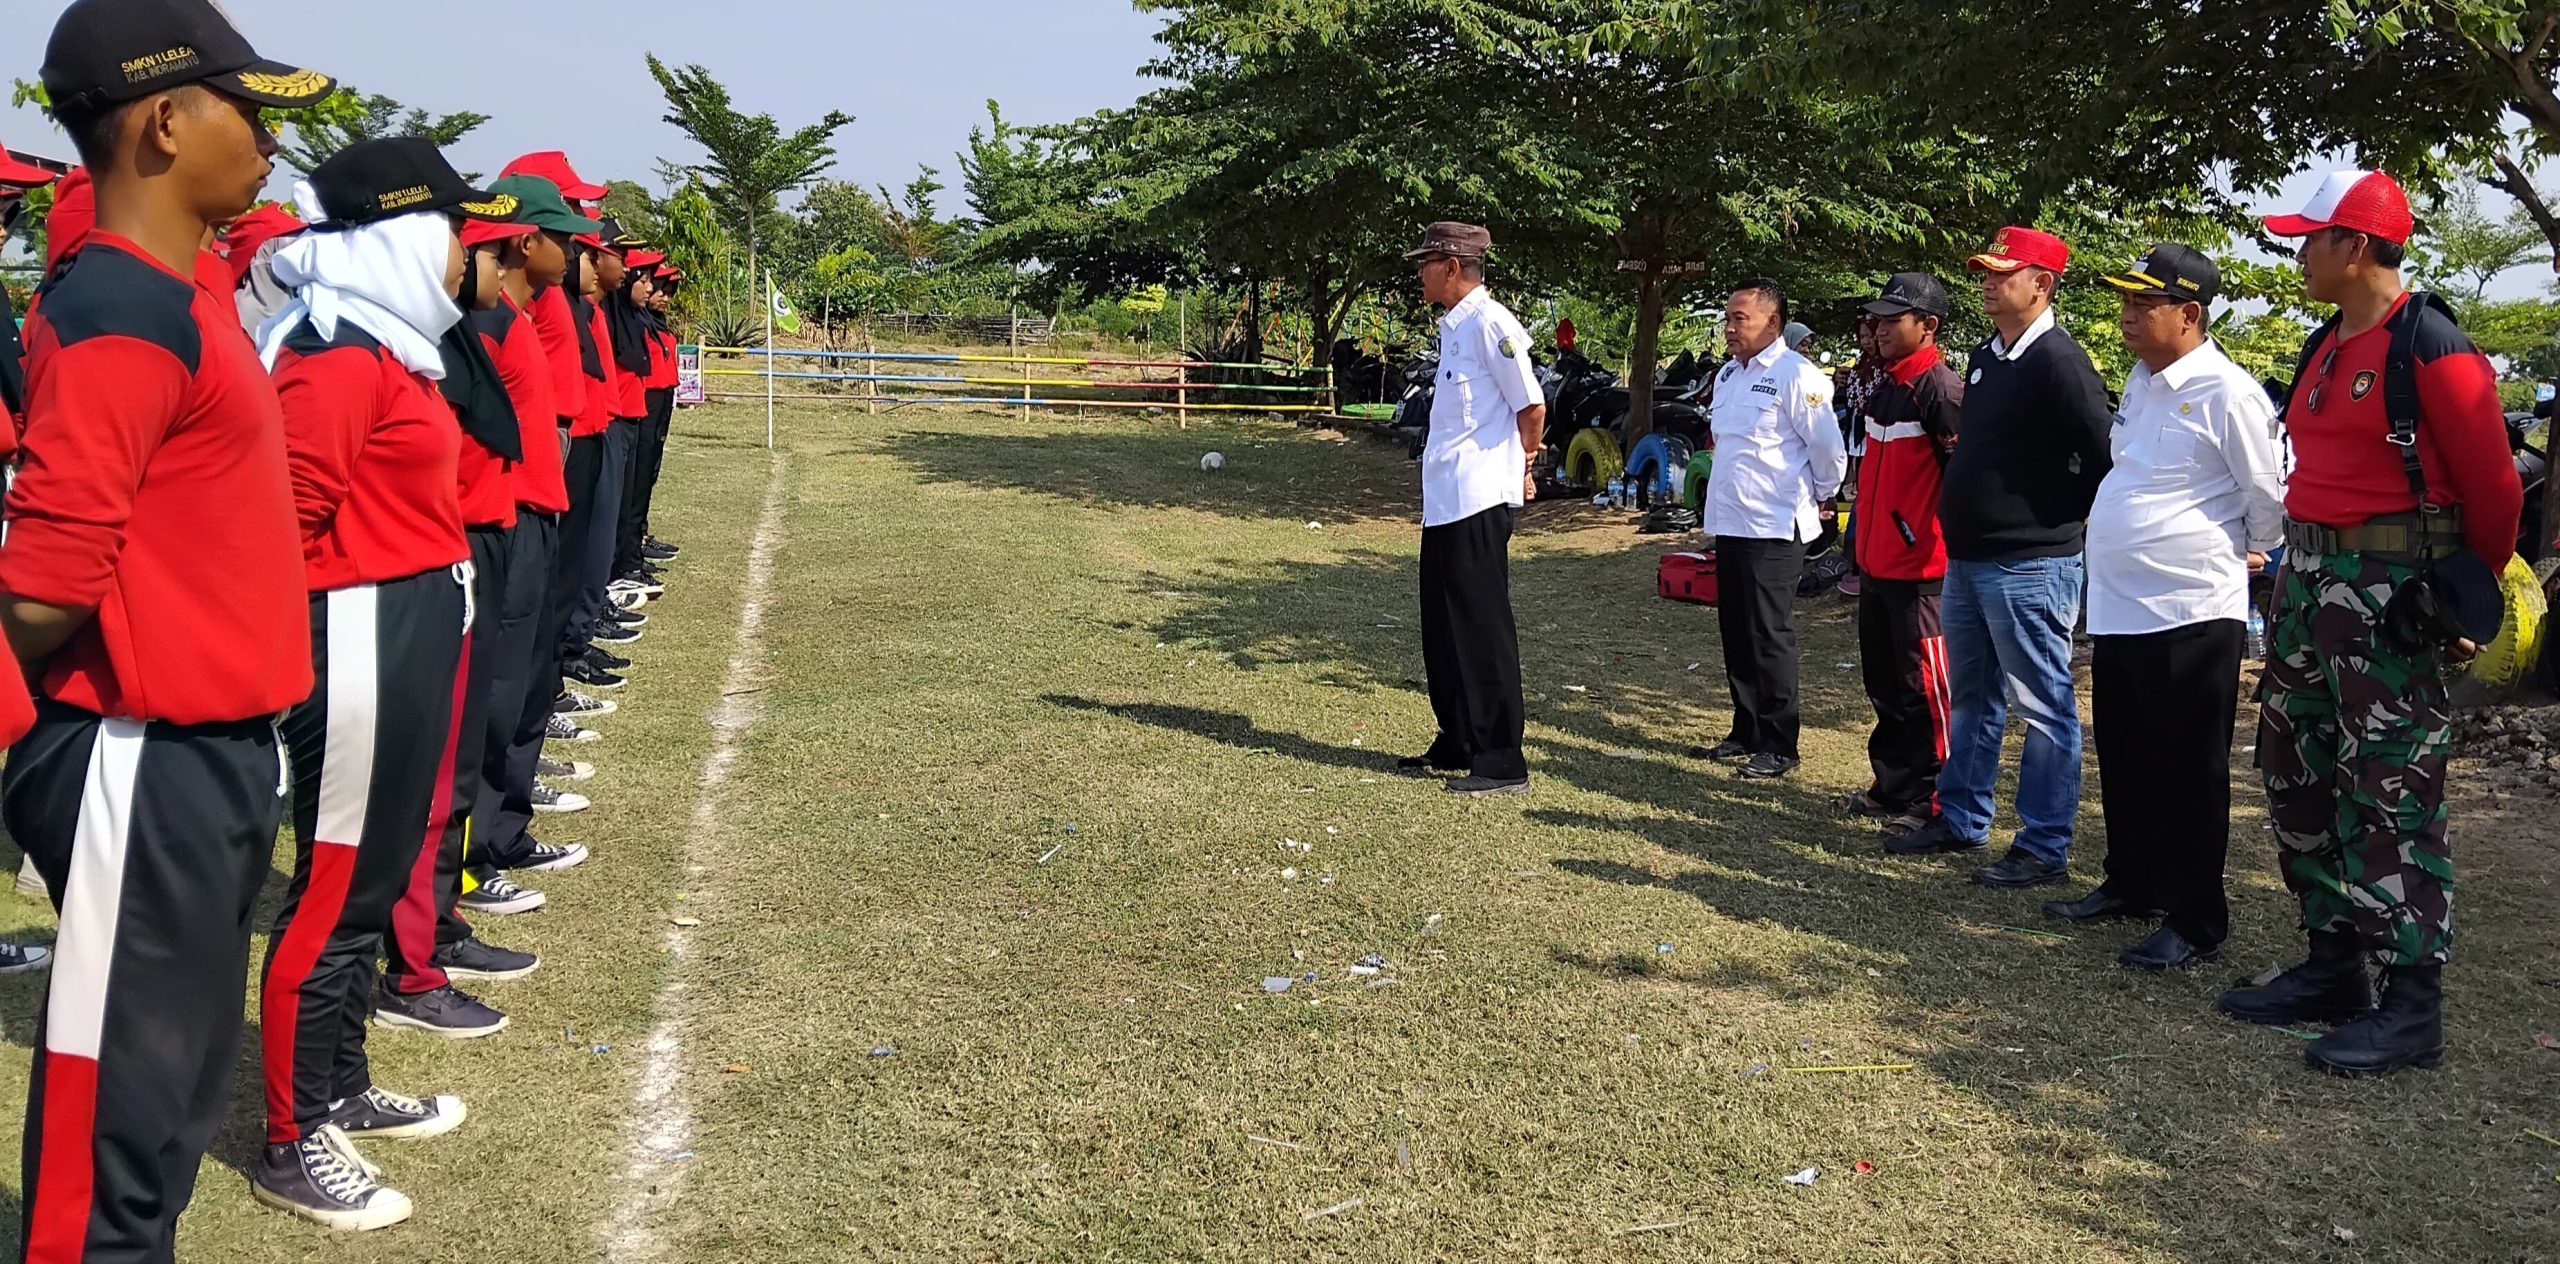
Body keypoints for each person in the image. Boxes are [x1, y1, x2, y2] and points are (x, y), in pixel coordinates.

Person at [10, 1, 334, 1255]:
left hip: (208, 751)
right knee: (117, 1117)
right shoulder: (118, 315)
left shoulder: (176, 291)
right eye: (243, 110)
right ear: (160, 121)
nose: (264, 139)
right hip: (135, 757)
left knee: (170, 1101)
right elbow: (46, 582)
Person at [251, 137, 518, 1229]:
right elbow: (288, 526)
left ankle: (342, 1084)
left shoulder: (390, 346)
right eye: (454, 229)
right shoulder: (336, 355)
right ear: (407, 234)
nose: (465, 253)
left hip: (403, 620)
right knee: (334, 888)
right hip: (355, 631)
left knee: (370, 882)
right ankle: (288, 1132)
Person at [2222, 171, 2522, 1075]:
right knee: (2294, 762)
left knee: (2389, 786)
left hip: (2391, 589)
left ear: (2356, 247)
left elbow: (2497, 488)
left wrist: (2466, 595)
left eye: (2310, 240)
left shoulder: (2429, 346)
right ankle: (2332, 963)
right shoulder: (2325, 340)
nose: (2297, 253)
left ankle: (2411, 1004)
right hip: (2311, 581)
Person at [2043, 244, 2285, 970]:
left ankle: (2195, 917)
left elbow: (2267, 494)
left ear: (2190, 313)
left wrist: (2254, 550)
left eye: (2144, 304)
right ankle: (2132, 882)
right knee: (2127, 753)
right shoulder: (2144, 383)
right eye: (2126, 301)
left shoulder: (2227, 391)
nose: (2127, 316)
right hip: (2121, 605)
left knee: (2188, 767)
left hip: (2190, 606)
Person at [1890, 227, 2113, 887]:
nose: (1986, 282)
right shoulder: (1989, 357)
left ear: (2041, 283)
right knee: (1975, 698)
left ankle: (2043, 845)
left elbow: (2103, 455)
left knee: (2043, 706)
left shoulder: (2059, 361)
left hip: (2030, 564)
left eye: (2000, 272)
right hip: (1970, 559)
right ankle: (1962, 817)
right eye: (1983, 271)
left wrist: (2049, 514)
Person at [1395, 221, 1544, 797]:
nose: (1420, 271)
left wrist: (1523, 464)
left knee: (1482, 628)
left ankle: (1502, 758)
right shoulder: (1454, 328)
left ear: (1453, 265)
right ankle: (1457, 737)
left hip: (1480, 497)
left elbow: (1530, 406)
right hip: (1447, 499)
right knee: (1443, 625)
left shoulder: (1491, 323)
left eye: (1426, 261)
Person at [1689, 279, 1843, 779]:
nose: (1730, 328)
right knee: (1735, 629)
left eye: (1741, 319)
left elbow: (1827, 452)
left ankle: (1780, 743)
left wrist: (1821, 497)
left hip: (1776, 524)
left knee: (1769, 632)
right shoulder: (1730, 376)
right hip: (1732, 521)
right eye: (1727, 319)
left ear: (1773, 323)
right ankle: (1746, 728)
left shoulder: (1800, 377)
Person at [1846, 273, 1961, 839]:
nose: (1880, 329)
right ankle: (1893, 783)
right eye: (1879, 318)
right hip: (1877, 565)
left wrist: (1930, 540)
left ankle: (1939, 794)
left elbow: (1959, 481)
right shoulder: (1887, 385)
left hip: (1922, 574)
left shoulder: (1940, 390)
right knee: (1885, 682)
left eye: (1894, 320)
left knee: (1926, 691)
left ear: (1928, 326)